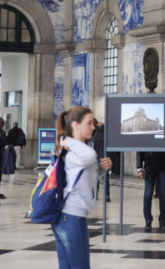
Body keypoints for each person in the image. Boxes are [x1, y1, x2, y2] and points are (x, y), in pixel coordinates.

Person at [52, 106, 112, 269]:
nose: (94, 127)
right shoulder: (73, 150)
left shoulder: (80, 149)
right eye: (90, 123)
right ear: (76, 125)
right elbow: (90, 156)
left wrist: (103, 169)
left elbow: (87, 177)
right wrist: (66, 139)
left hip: (69, 217)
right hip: (71, 217)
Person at [136, 149, 165, 232]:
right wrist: (139, 168)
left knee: (163, 194)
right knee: (148, 194)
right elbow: (139, 150)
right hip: (149, 166)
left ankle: (162, 220)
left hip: (164, 166)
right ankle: (148, 220)